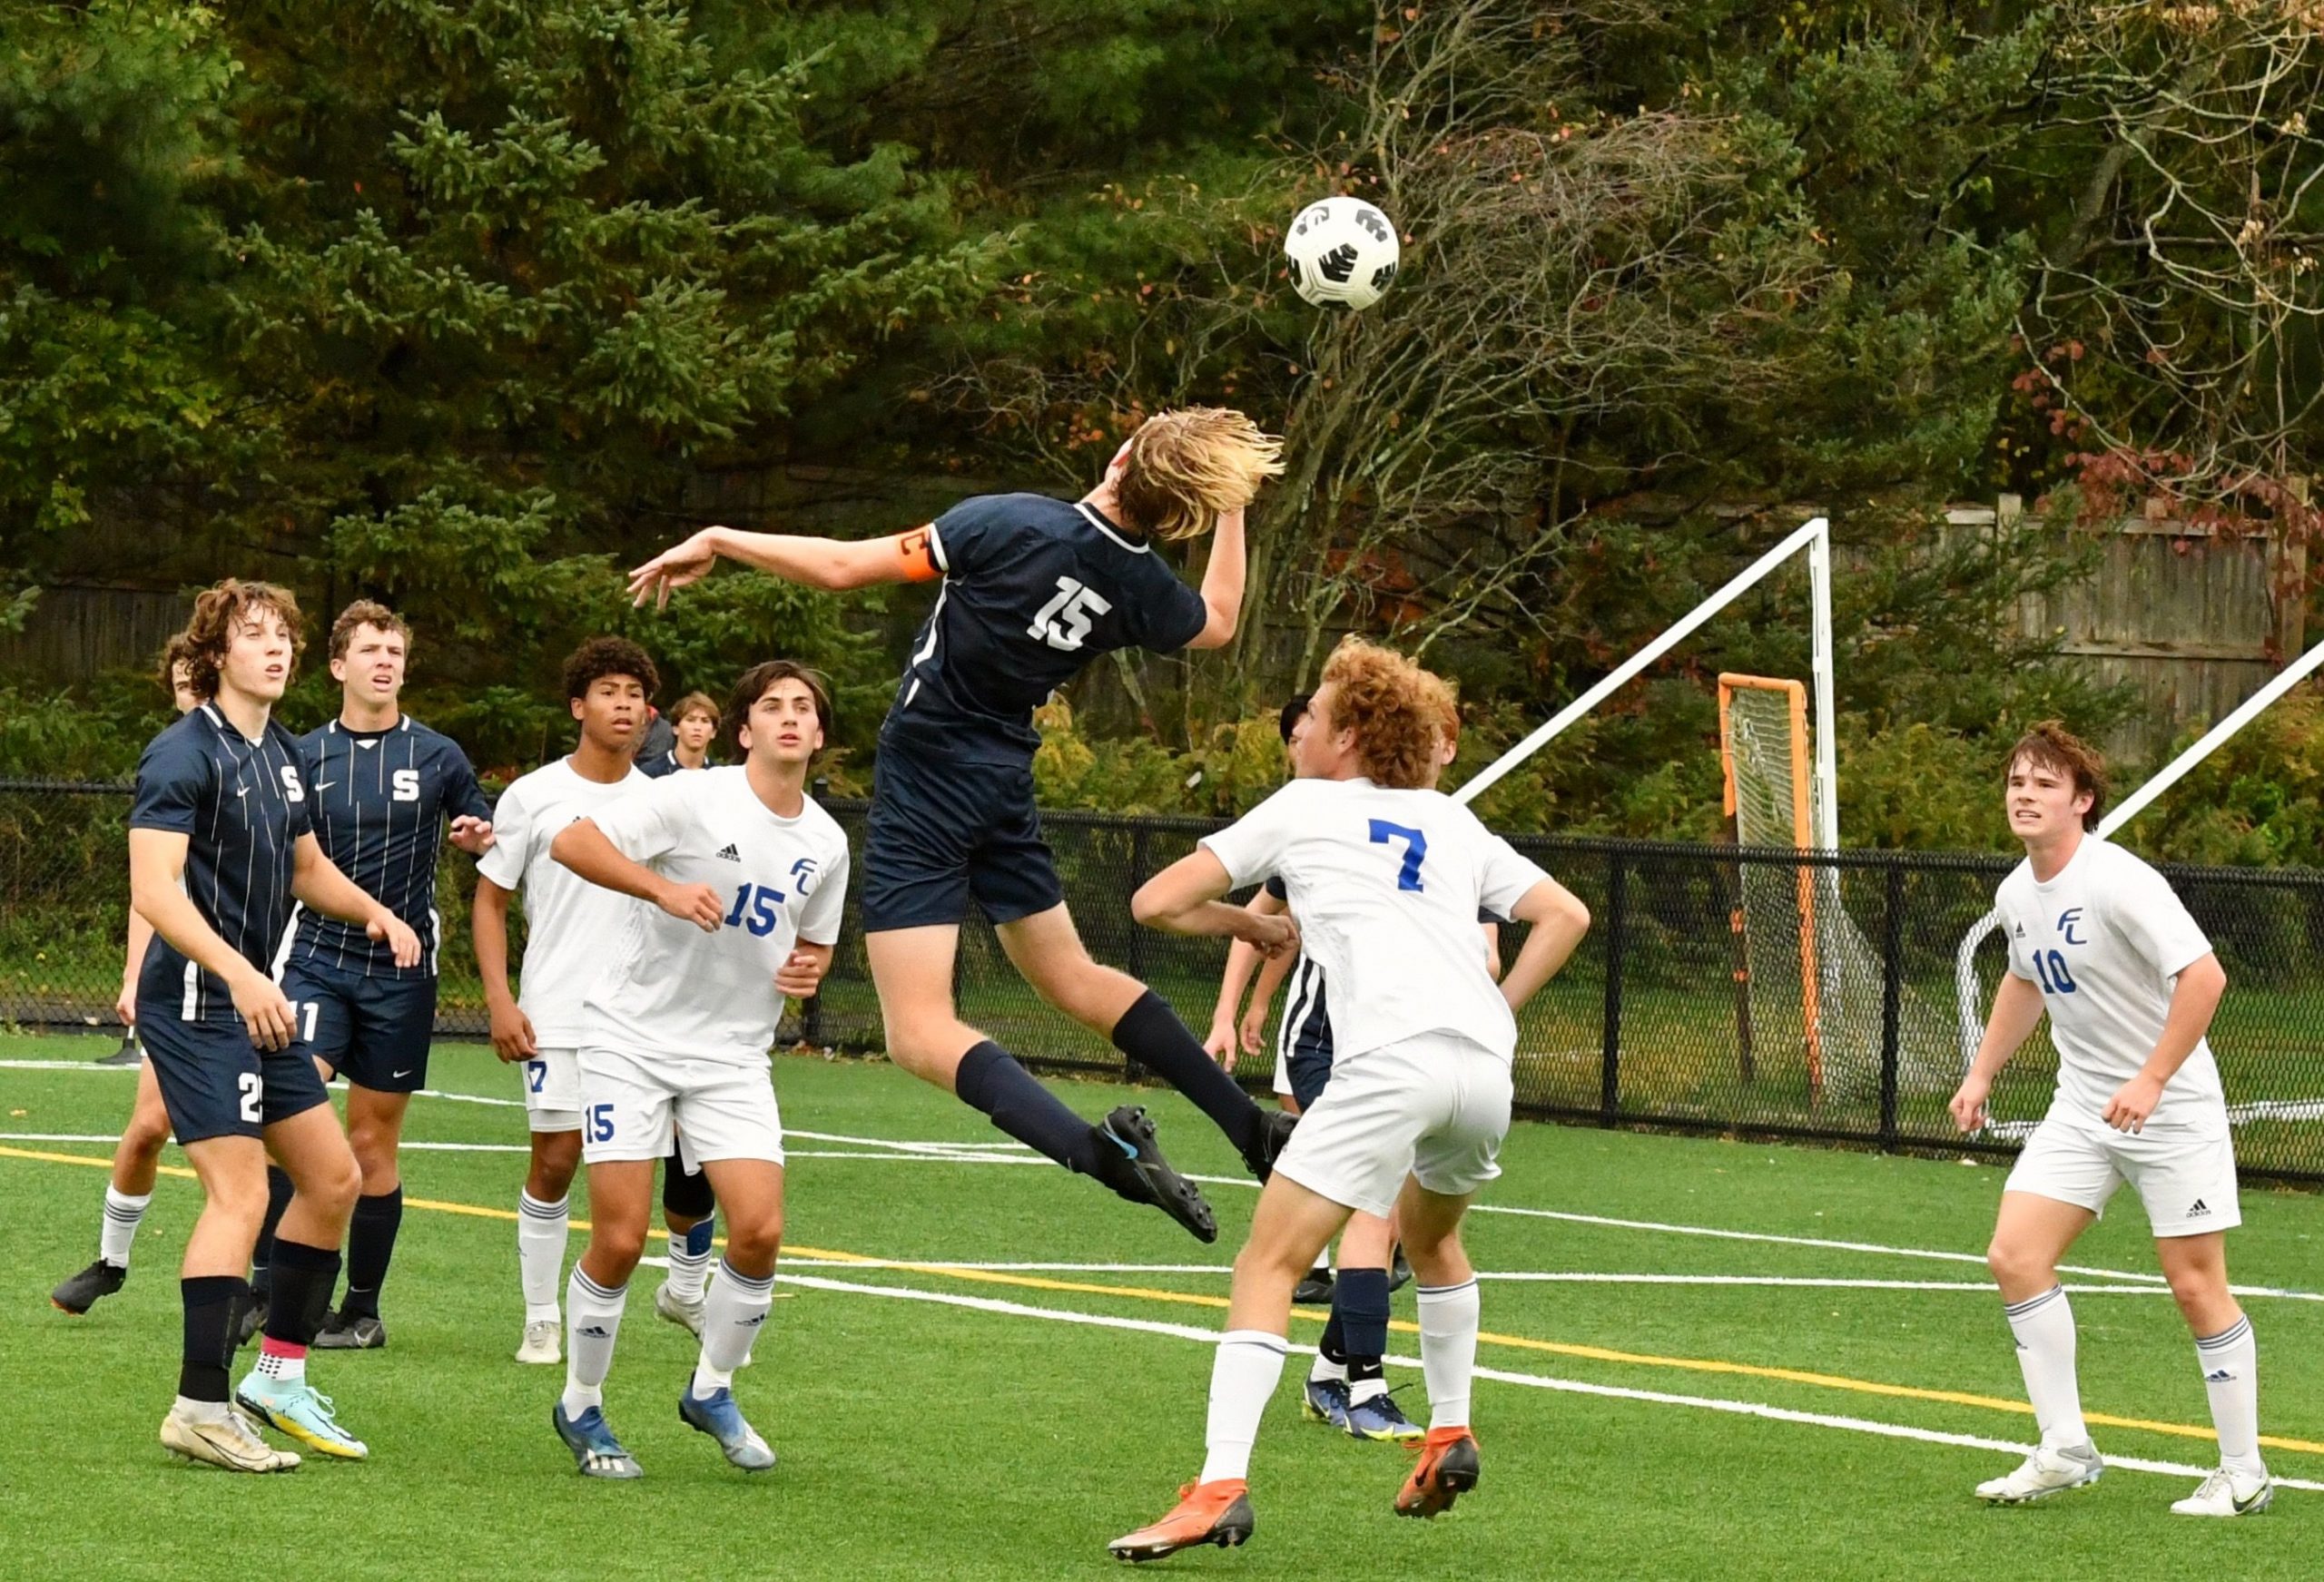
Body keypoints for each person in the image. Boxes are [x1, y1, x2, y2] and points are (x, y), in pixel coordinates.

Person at [626, 408, 1292, 1242]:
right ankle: (1251, 1125)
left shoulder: (1010, 522)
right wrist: (1236, 502)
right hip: (1002, 778)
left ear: (1119, 459)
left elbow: (842, 567)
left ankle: (1099, 1152)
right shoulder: (1140, 583)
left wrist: (722, 536)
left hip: (928, 774)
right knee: (1073, 976)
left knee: (917, 1030)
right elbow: (1220, 619)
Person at [1108, 638, 1590, 1560]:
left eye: (1317, 718)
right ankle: (1449, 1428)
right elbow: (1565, 914)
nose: (1300, 734)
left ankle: (1217, 1488)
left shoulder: (1305, 805)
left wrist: (1251, 923)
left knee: (1267, 1263)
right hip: (1483, 1070)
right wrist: (1499, 1007)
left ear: (1350, 737)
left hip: (1388, 1063)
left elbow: (1155, 902)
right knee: (1433, 1240)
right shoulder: (1449, 819)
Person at [129, 580, 420, 1470]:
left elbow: (304, 867)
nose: (278, 648)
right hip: (195, 1002)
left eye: (285, 635)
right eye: (256, 635)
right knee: (242, 1193)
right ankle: (198, 1407)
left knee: (333, 1179)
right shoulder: (182, 752)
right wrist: (239, 971)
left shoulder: (282, 752)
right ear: (216, 653)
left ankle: (280, 1378)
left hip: (255, 1002)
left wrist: (377, 912)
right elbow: (154, 891)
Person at [1950, 723, 2270, 1517]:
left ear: (2082, 801)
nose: (2025, 795)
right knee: (2015, 1254)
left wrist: (2153, 1079)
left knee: (2195, 1285)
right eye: (2017, 782)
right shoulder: (2016, 893)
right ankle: (2064, 1447)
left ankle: (2244, 1472)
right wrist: (1982, 1073)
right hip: (2082, 1107)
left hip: (2172, 1110)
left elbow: (2205, 976)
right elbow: (2024, 979)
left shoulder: (2119, 880)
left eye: (2045, 784)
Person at [545, 661, 847, 1479]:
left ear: (819, 734)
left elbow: (815, 940)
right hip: (629, 1038)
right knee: (618, 1237)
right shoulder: (692, 796)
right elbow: (572, 841)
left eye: (804, 708)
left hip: (733, 1053)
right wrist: (661, 890)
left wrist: (810, 968)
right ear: (744, 730)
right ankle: (581, 1403)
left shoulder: (827, 841)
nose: (790, 716)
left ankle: (711, 1387)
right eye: (773, 706)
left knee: (760, 1230)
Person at [1203, 692, 1502, 1445]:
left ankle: (1334, 1369)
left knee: (1391, 1223)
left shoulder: (1452, 837)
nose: (1437, 749)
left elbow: (1501, 949)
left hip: (1413, 1046)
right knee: (1372, 1213)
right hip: (1330, 1039)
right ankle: (1360, 1385)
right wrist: (1235, 1008)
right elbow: (1269, 918)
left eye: (1447, 739)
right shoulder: (1327, 818)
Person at [251, 601, 494, 1349]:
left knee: (369, 1142)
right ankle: (265, 1290)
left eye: (394, 651)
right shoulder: (301, 754)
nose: (384, 661)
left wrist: (477, 834)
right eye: (369, 649)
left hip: (401, 971)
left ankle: (360, 1310)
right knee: (288, 1117)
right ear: (338, 665)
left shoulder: (438, 754)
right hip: (318, 959)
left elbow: (483, 830)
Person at [472, 639, 667, 1365]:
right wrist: (500, 999)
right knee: (556, 1161)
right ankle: (539, 1316)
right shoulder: (532, 795)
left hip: (643, 1019)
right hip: (556, 1009)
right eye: (608, 691)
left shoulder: (664, 801)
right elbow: (491, 901)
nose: (624, 705)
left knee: (641, 1174)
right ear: (579, 706)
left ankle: (675, 1289)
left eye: (635, 695)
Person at [50, 636, 201, 1314]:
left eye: (198, 674)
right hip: (182, 979)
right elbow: (152, 889)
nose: (189, 686)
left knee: (266, 1144)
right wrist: (134, 974)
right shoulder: (173, 758)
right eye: (180, 678)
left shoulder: (267, 758)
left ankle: (266, 1286)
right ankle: (111, 1261)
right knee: (148, 1127)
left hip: (257, 979)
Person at [639, 691, 718, 777]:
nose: (697, 727)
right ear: (675, 728)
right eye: (690, 720)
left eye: (705, 721)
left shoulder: (719, 776)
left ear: (713, 732)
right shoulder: (650, 773)